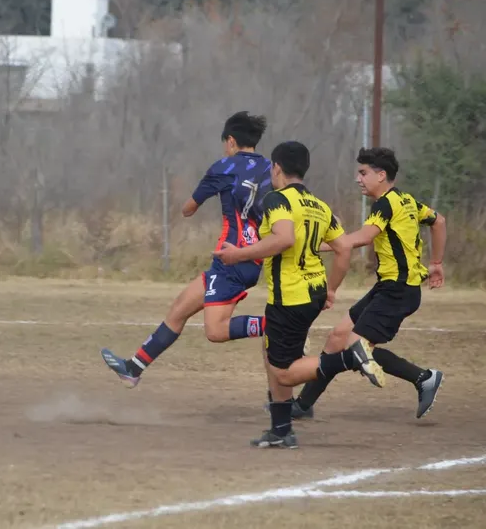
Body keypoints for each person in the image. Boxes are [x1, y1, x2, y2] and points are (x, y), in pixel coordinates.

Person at [214, 141, 384, 449]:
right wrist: (331, 288)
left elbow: (283, 239)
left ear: (276, 168)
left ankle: (349, 358)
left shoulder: (276, 200)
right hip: (314, 292)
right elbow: (344, 247)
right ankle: (281, 430)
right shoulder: (320, 206)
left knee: (284, 373)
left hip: (290, 297)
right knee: (272, 351)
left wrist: (238, 255)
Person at [101, 111, 272, 387]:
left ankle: (274, 326)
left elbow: (188, 209)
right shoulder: (270, 168)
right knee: (180, 307)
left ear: (230, 141)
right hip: (251, 257)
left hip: (231, 256)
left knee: (215, 330)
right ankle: (133, 368)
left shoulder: (223, 167)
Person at [292, 147, 446, 420]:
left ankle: (423, 377)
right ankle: (303, 405)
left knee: (356, 348)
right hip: (387, 287)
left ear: (381, 175)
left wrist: (317, 244)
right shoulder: (406, 200)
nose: (358, 178)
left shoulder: (386, 204)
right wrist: (436, 263)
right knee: (338, 337)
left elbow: (363, 238)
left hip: (398, 291)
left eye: (363, 173)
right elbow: (439, 221)